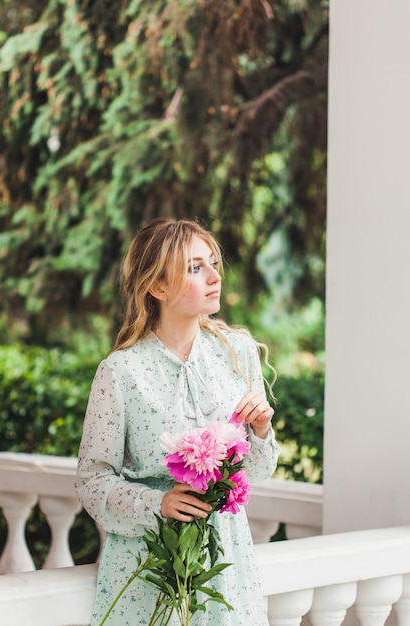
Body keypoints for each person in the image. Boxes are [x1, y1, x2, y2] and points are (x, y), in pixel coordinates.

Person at [75, 217, 280, 626]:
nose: (213, 276)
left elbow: (257, 472)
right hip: (147, 563)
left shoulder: (237, 354)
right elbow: (91, 481)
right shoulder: (120, 372)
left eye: (213, 263)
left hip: (226, 563)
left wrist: (260, 432)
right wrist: (158, 503)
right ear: (158, 287)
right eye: (194, 267)